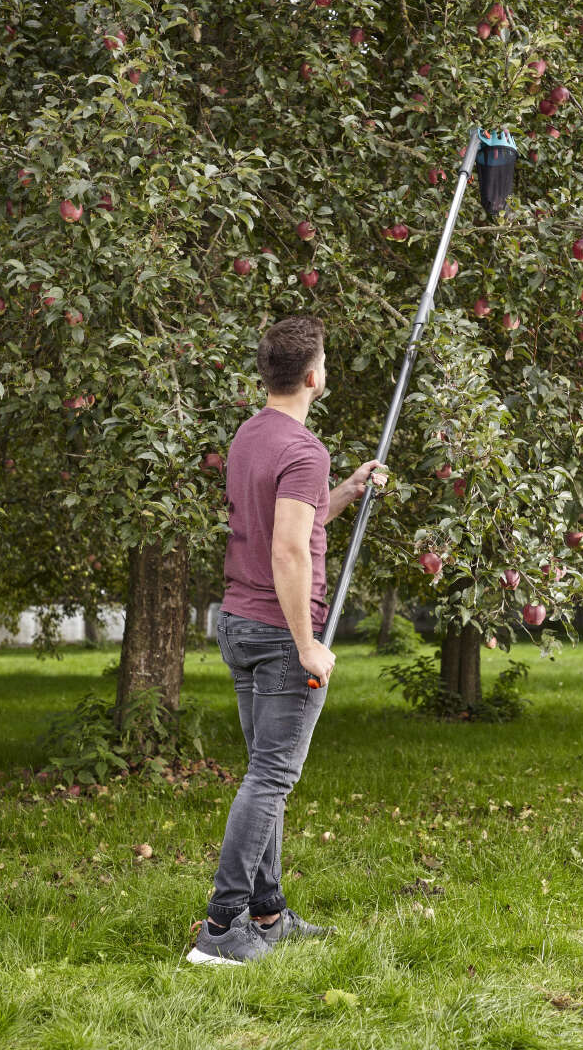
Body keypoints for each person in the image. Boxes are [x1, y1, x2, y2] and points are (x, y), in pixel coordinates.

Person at [187, 313, 387, 965]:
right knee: (272, 776)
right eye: (325, 360)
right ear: (313, 375)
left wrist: (349, 491)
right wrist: (308, 643)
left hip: (239, 624)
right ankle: (221, 930)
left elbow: (297, 518)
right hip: (277, 633)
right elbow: (289, 552)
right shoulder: (303, 449)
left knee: (260, 774)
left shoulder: (252, 436)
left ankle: (266, 914)